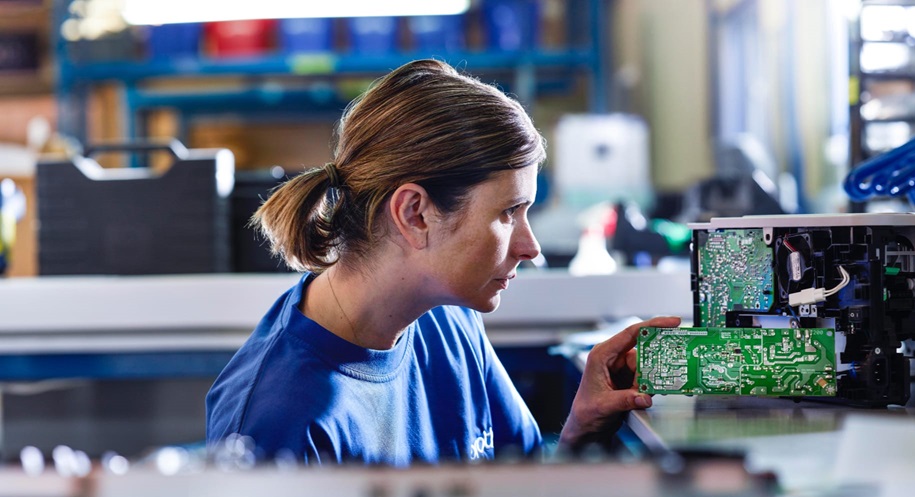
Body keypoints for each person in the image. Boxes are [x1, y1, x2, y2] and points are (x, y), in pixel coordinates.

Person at [205, 59, 679, 465]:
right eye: (508, 213)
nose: (531, 247)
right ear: (415, 213)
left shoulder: (448, 317)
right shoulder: (276, 424)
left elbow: (521, 485)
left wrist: (583, 428)